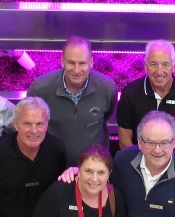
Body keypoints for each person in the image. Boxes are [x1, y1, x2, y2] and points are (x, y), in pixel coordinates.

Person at [26, 36, 118, 165]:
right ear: (62, 61)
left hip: (94, 166)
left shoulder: (107, 88)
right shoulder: (40, 89)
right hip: (53, 165)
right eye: (71, 63)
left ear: (91, 63)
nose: (76, 70)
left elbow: (107, 114)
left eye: (82, 63)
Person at [116, 40, 175, 157]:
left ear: (174, 66)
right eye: (153, 64)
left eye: (165, 64)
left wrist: (166, 166)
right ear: (145, 66)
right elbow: (124, 141)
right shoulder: (129, 94)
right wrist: (144, 166)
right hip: (138, 163)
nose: (159, 71)